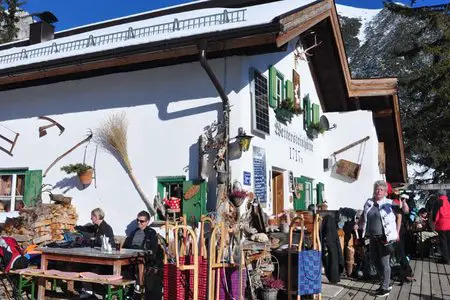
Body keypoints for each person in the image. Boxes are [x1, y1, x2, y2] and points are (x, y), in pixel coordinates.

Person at [355, 180, 400, 297]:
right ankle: (386, 281)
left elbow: (403, 212)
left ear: (385, 192)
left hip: (385, 237)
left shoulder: (390, 203)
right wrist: (358, 223)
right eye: (377, 189)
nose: (378, 191)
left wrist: (398, 232)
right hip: (372, 237)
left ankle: (385, 288)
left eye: (381, 189)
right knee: (375, 260)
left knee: (384, 262)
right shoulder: (368, 203)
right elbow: (364, 217)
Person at [123, 211, 162, 299]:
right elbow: (125, 246)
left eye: (142, 221)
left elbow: (153, 250)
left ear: (147, 222)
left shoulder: (151, 233)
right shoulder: (134, 232)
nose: (139, 223)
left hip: (143, 260)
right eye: (138, 220)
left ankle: (138, 293)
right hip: (130, 259)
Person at [433, 190, 450, 264]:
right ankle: (448, 256)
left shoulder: (438, 202)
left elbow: (435, 214)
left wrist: (434, 223)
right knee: (448, 241)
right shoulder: (448, 201)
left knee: (443, 242)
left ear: (438, 195)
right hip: (449, 222)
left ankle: (445, 258)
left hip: (442, 223)